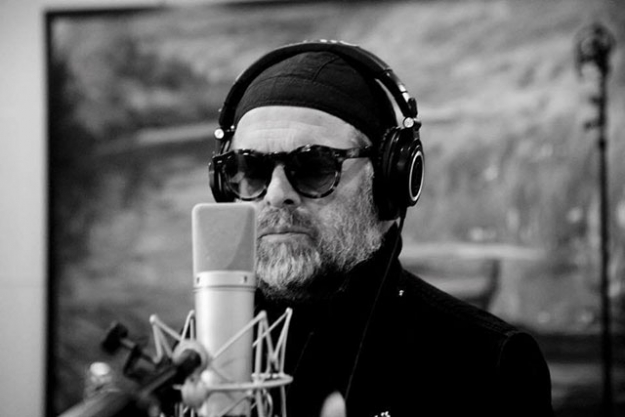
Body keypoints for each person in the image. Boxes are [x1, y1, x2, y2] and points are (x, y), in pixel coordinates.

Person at [205, 40, 554, 417]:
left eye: (314, 166)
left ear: (388, 183)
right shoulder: (200, 357)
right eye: (252, 170)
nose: (276, 194)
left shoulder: (487, 362)